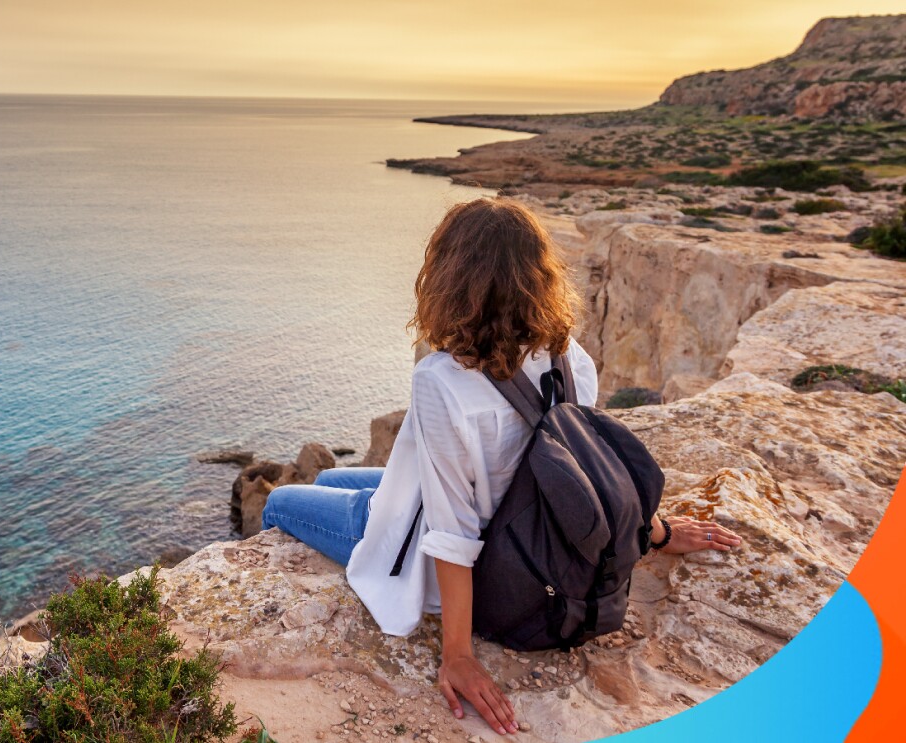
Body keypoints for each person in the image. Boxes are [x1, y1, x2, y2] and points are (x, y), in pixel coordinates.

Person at [261, 197, 742, 736]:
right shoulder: (569, 357)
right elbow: (591, 464)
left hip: (479, 560)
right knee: (329, 478)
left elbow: (452, 529)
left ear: (449, 278)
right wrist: (658, 531)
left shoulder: (442, 379)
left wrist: (459, 654)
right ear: (538, 277)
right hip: (523, 523)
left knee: (280, 501)